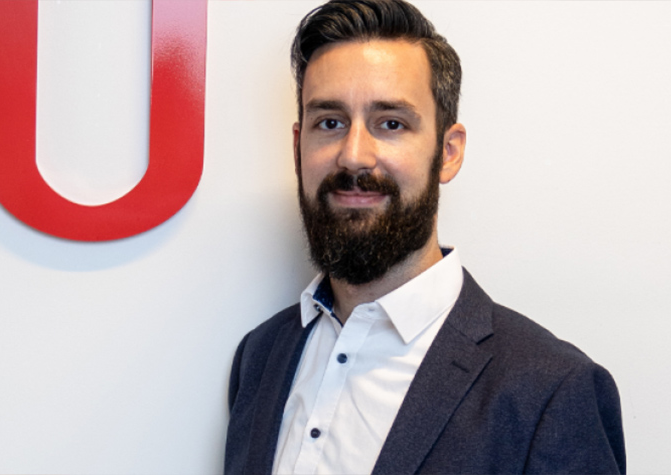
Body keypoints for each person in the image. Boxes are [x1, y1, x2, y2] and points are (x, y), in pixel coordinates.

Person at [224, 0, 626, 473]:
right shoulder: (261, 356)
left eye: (390, 123)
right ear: (298, 147)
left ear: (448, 153)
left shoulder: (551, 393)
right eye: (329, 123)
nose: (353, 156)